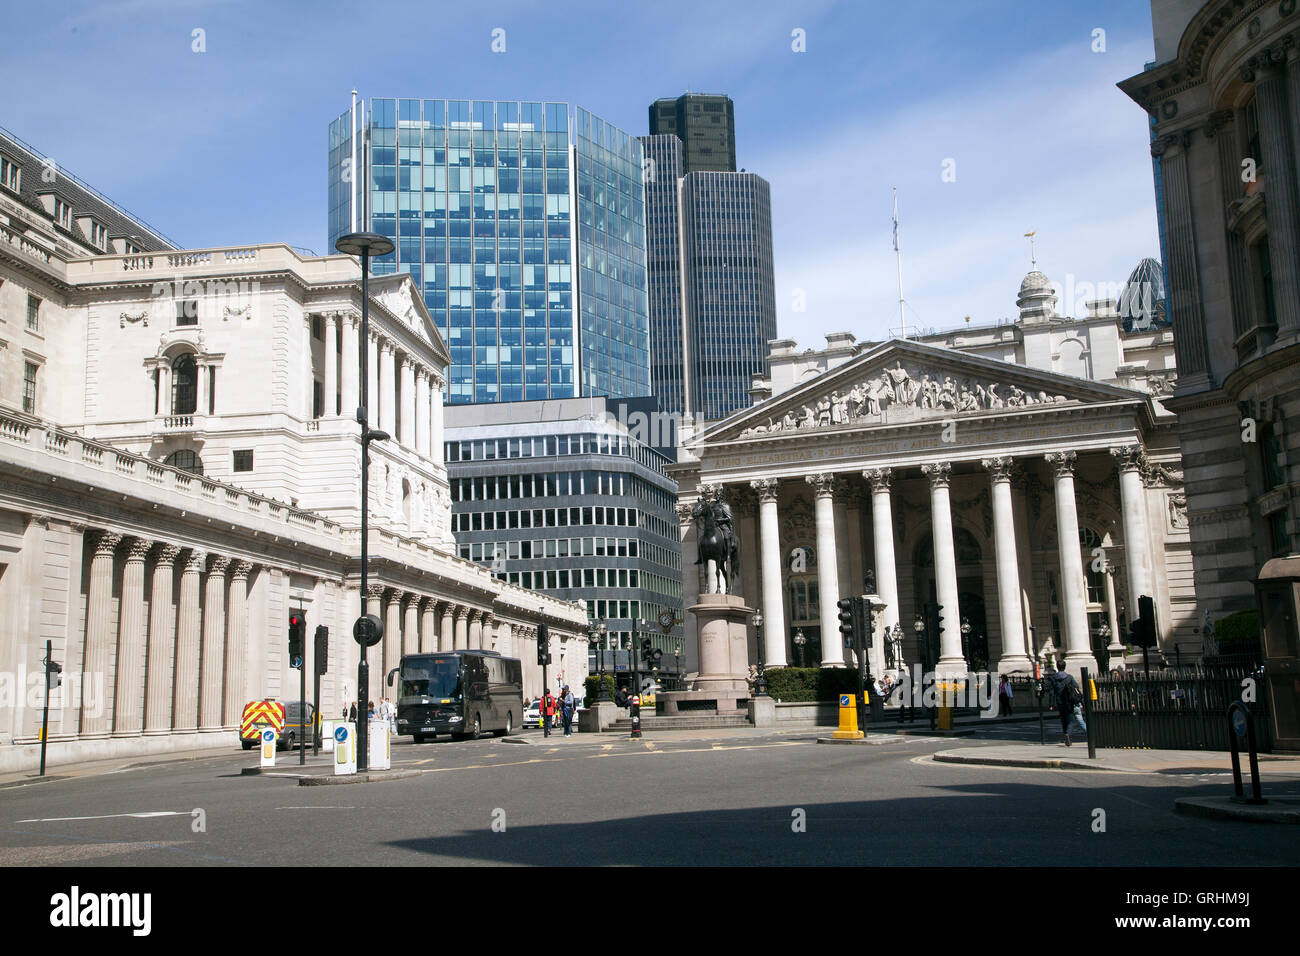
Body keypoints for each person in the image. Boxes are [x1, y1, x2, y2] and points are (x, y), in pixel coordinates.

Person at [1048, 661, 1085, 746]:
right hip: (1069, 702)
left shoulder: (1054, 678)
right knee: (1071, 720)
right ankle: (1068, 734)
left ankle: (1066, 736)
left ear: (1057, 667)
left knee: (1063, 720)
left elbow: (1051, 692)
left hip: (1060, 702)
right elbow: (1076, 688)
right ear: (1064, 667)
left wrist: (1051, 704)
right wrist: (1081, 701)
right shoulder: (1069, 677)